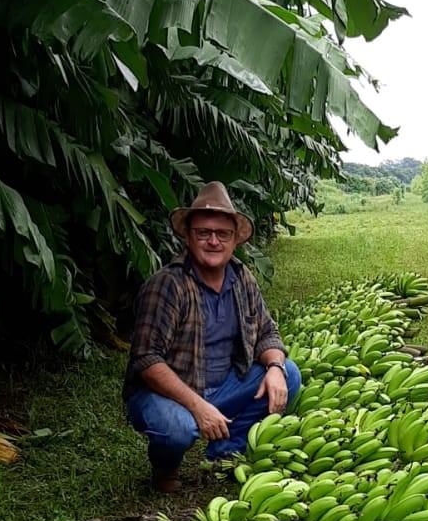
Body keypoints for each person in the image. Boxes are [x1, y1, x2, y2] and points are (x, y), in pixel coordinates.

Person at [124, 182, 301, 492]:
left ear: (235, 240)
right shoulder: (167, 285)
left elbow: (267, 333)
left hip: (224, 385)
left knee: (289, 374)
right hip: (170, 393)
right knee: (177, 428)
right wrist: (198, 406)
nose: (213, 241)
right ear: (188, 237)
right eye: (203, 233)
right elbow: (146, 360)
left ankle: (225, 451)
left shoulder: (241, 277)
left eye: (223, 234)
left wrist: (274, 368)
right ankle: (165, 468)